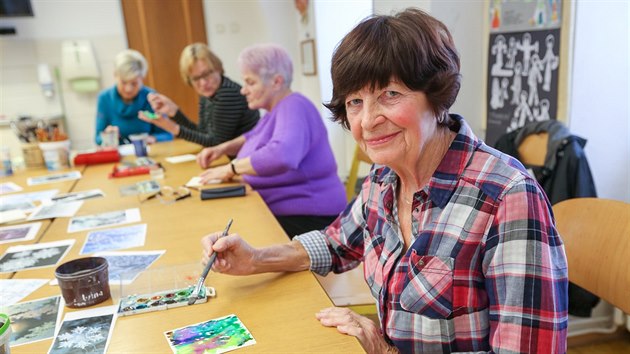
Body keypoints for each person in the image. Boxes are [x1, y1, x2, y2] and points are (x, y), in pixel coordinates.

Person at [200, 8, 568, 354]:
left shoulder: (507, 198)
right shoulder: (383, 176)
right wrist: (255, 259)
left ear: (437, 97)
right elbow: (335, 245)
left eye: (390, 95)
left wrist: (382, 349)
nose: (368, 120)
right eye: (355, 102)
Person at [196, 44, 346, 237]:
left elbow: (282, 155)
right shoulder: (274, 111)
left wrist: (231, 168)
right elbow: (252, 136)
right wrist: (221, 149)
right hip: (288, 210)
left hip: (310, 217)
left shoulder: (294, 106)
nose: (243, 90)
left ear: (276, 82)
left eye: (250, 83)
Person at [138, 43, 259, 147]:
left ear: (217, 68)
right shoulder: (209, 94)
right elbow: (202, 133)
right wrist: (174, 112)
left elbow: (215, 143)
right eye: (196, 78)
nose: (203, 83)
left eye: (207, 74)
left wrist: (172, 128)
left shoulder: (228, 93)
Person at [95, 49, 172, 145]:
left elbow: (167, 134)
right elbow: (97, 138)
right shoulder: (104, 99)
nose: (128, 89)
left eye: (134, 83)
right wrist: (107, 136)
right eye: (123, 82)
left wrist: (153, 138)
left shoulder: (151, 97)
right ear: (115, 75)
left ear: (142, 78)